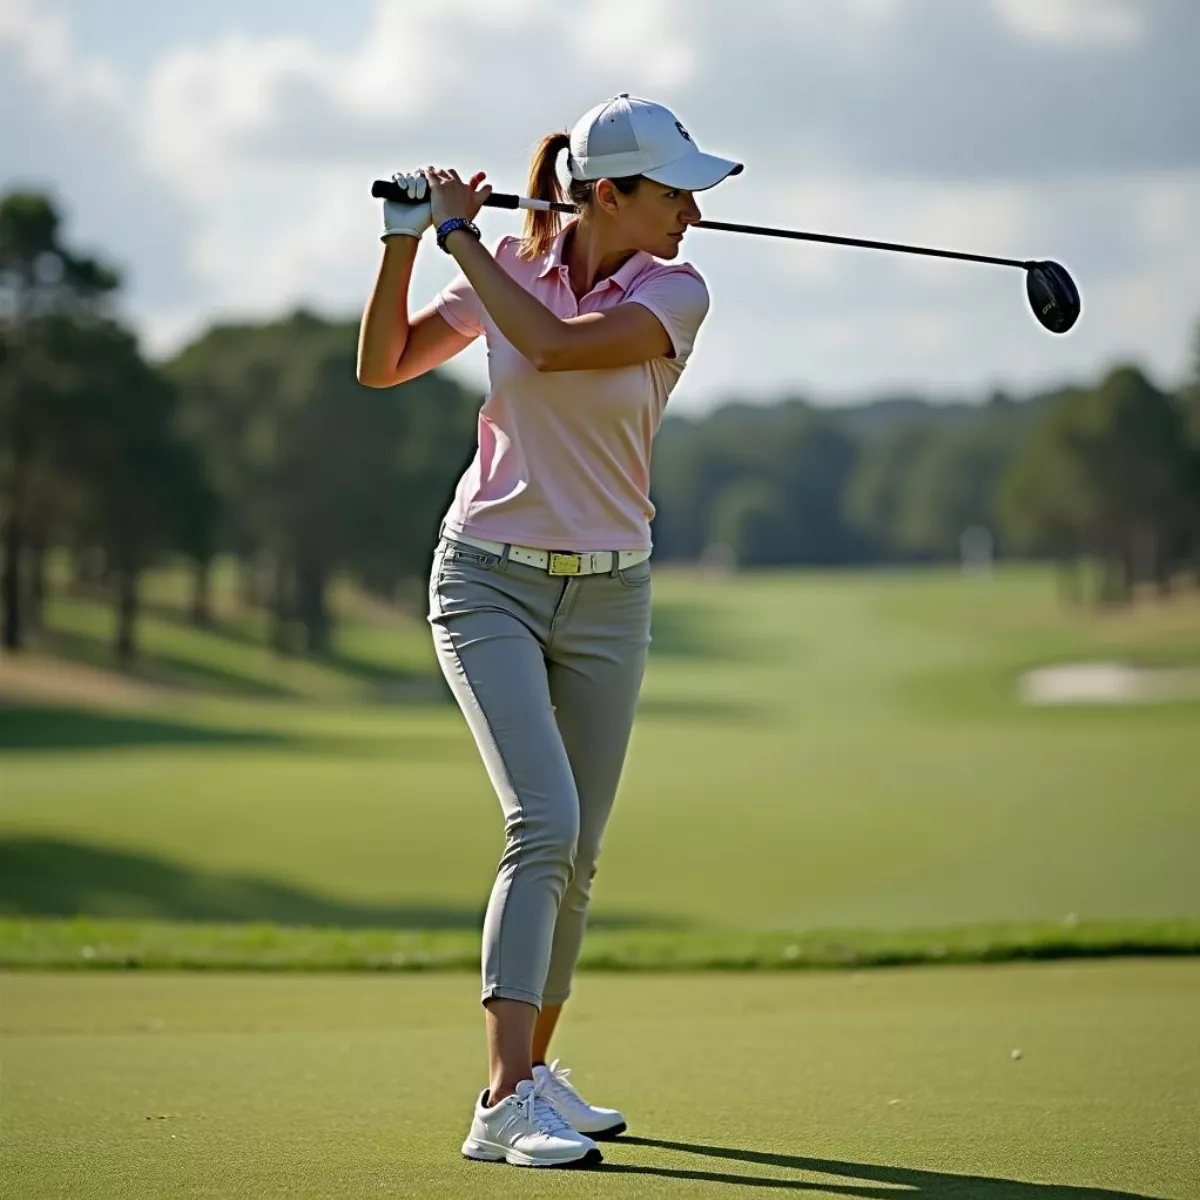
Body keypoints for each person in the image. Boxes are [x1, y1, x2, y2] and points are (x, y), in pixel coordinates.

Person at [357, 93, 741, 1169]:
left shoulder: (674, 290)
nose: (693, 217)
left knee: (579, 856)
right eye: (675, 194)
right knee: (544, 821)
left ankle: (531, 1080)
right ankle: (500, 1105)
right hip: (486, 581)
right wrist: (405, 245)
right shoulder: (507, 267)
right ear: (607, 195)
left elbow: (560, 348)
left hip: (612, 595)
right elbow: (384, 362)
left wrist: (460, 235)